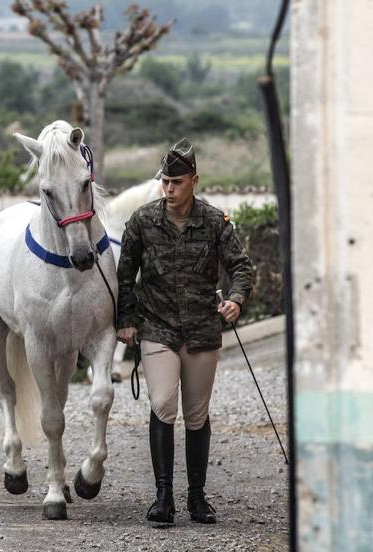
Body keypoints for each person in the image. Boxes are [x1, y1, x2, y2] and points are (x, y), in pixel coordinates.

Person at [115, 138, 255, 526]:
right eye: (165, 182)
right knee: (162, 403)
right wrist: (126, 320)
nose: (169, 189)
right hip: (158, 327)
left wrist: (237, 300)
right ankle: (163, 497)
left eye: (177, 182)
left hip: (202, 330)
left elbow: (241, 267)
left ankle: (197, 496)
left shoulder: (214, 222)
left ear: (194, 180)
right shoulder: (143, 221)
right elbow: (124, 275)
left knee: (196, 414)